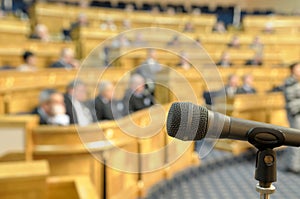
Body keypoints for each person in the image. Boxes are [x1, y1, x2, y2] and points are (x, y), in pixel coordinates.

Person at [283, 62, 300, 173]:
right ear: (293, 70)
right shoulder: (289, 82)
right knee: (295, 139)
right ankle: (293, 166)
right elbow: (290, 97)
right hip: (295, 114)